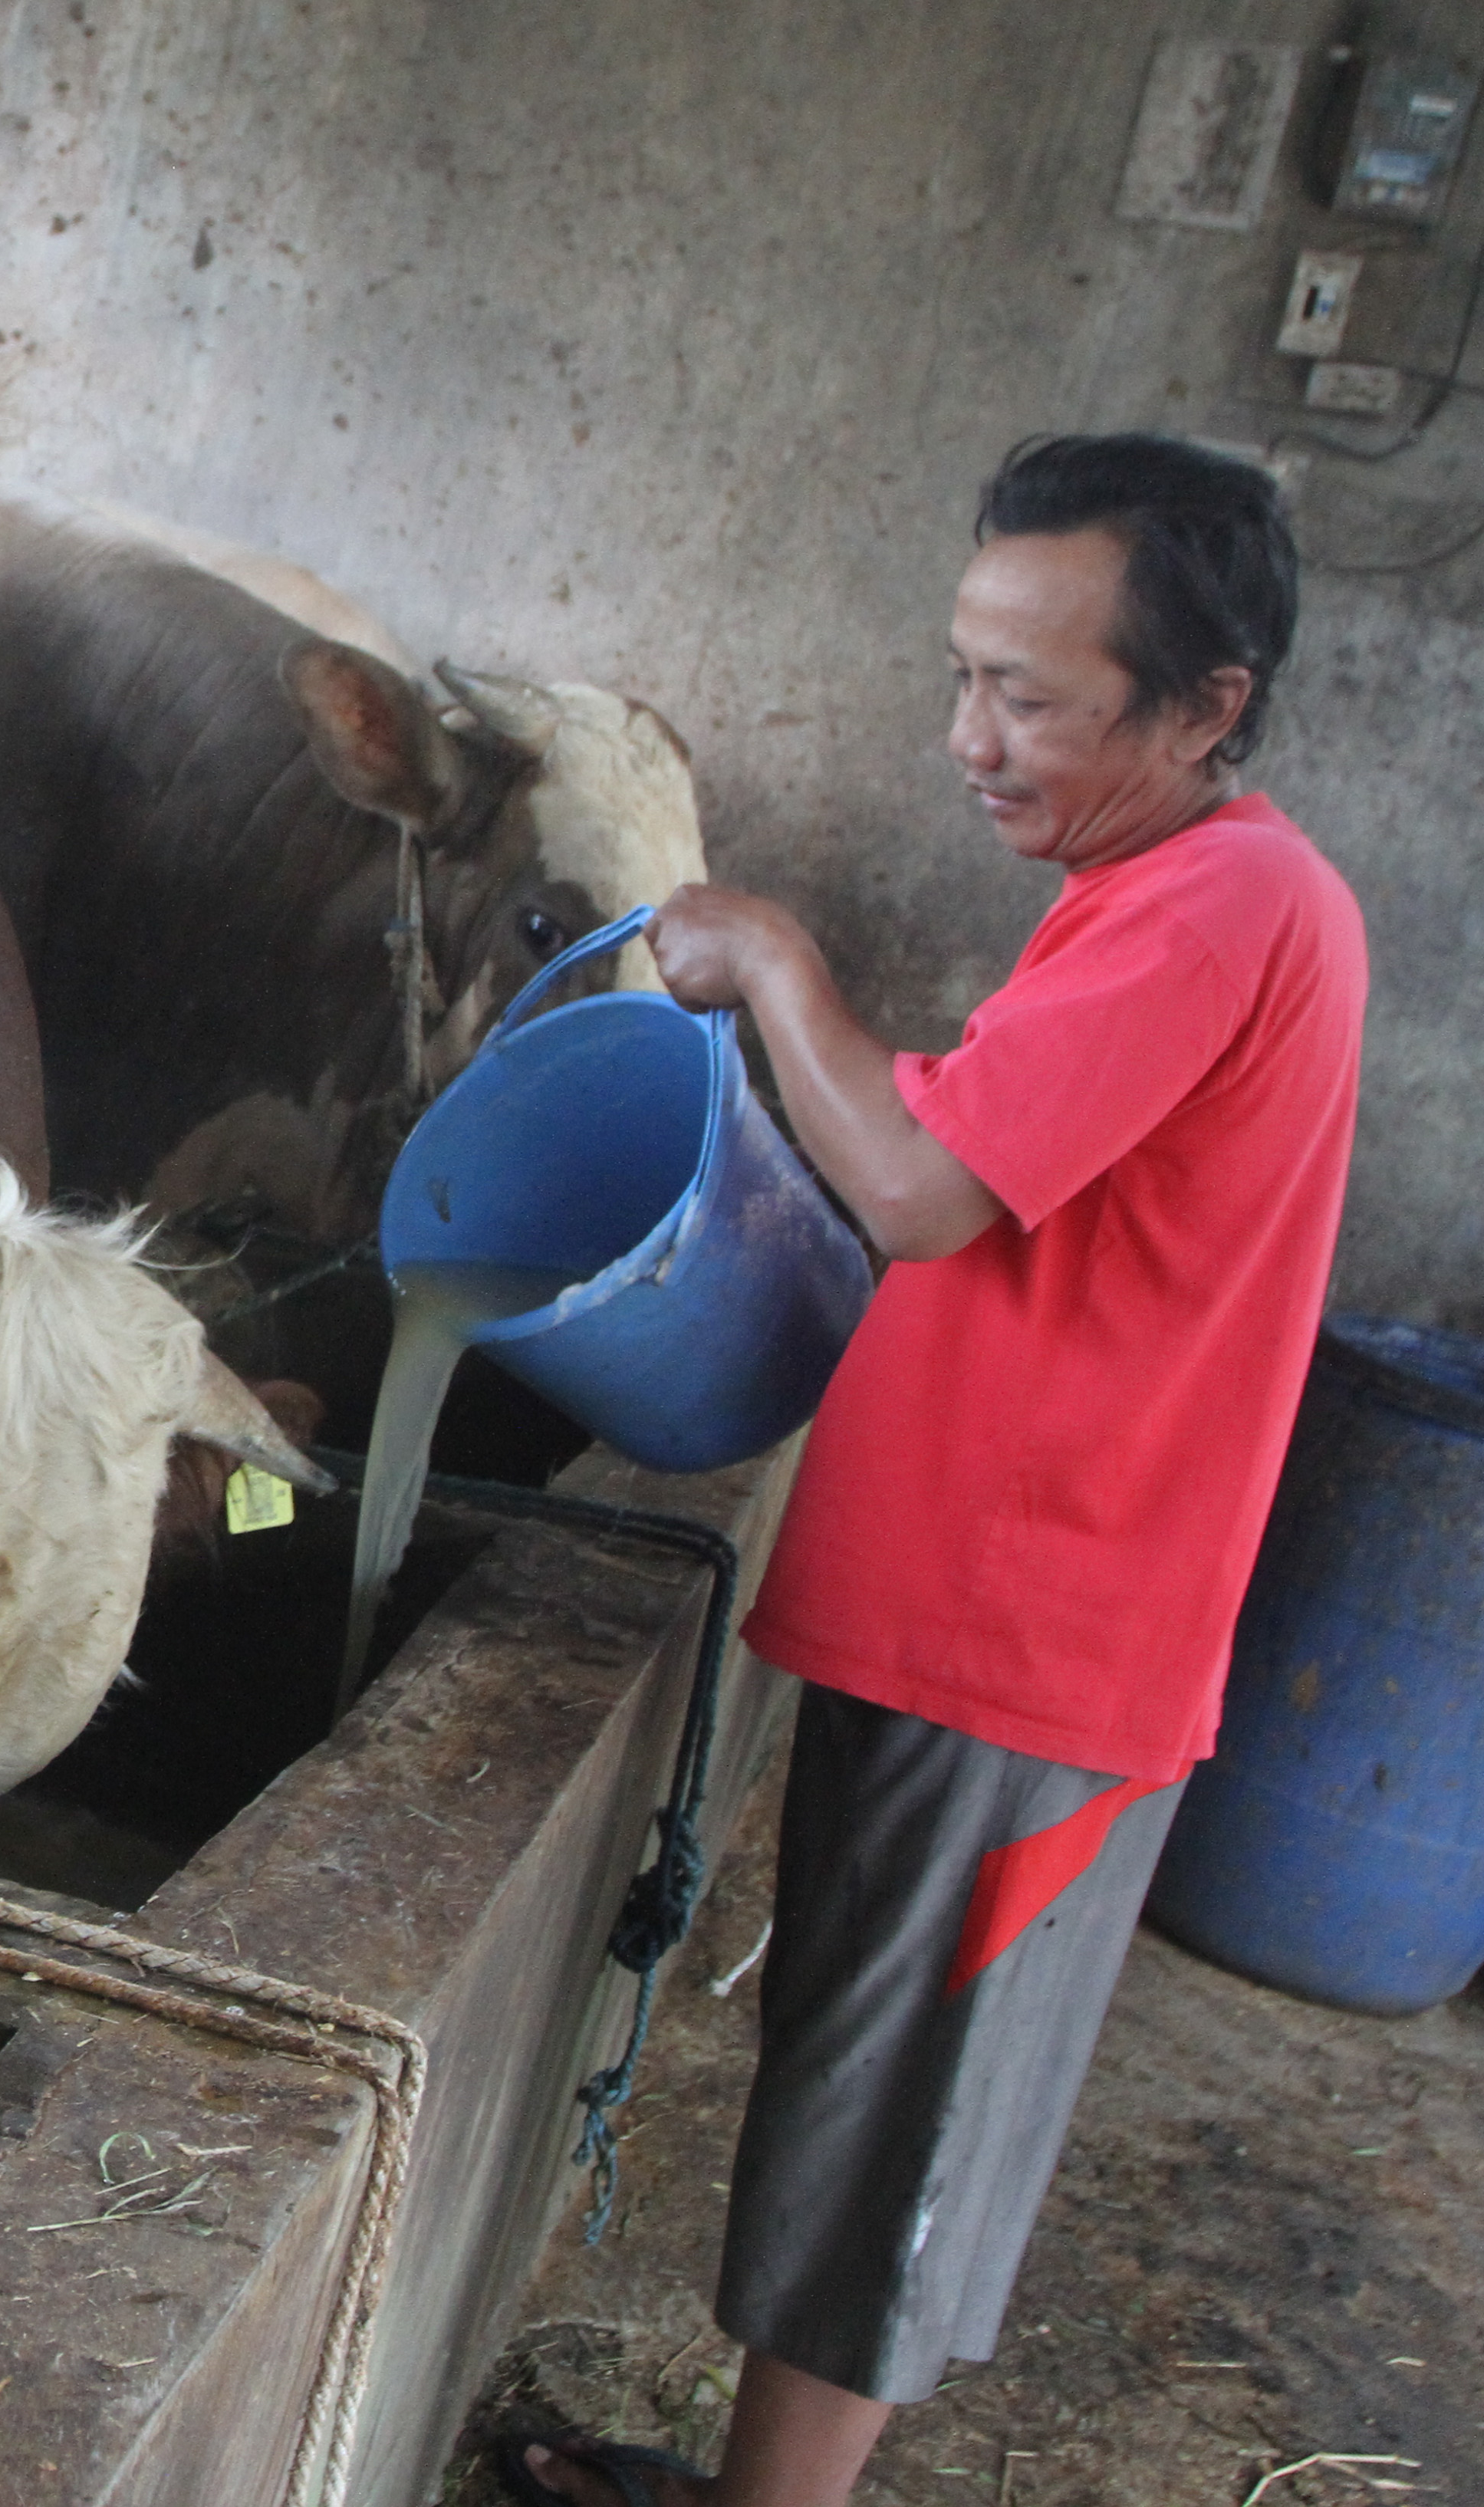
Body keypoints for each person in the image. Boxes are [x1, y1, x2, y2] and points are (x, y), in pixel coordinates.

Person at [507, 433, 1367, 2507]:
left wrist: (781, 970)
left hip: (1033, 1645)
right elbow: (989, 1150)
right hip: (974, 1616)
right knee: (851, 2085)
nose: (967, 738)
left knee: (894, 2131)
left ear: (1205, 707)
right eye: (965, 672)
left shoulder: (1217, 908)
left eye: (1032, 697)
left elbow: (910, 1189)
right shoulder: (1145, 895)